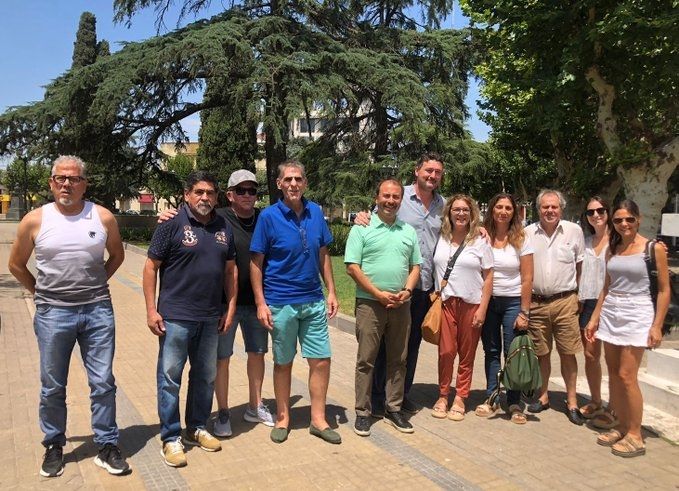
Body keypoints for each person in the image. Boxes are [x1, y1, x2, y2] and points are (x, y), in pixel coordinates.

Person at [8, 155, 130, 477]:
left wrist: (98, 283)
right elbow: (16, 264)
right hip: (53, 314)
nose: (66, 184)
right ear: (51, 183)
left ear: (84, 184)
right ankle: (53, 444)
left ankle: (107, 444)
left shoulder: (102, 217)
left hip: (97, 311)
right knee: (52, 386)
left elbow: (117, 255)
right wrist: (39, 293)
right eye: (60, 178)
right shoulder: (35, 220)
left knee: (103, 382)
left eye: (74, 179)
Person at [157, 169, 274, 437]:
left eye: (252, 190)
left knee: (256, 354)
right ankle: (222, 412)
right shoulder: (218, 217)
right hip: (220, 306)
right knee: (220, 360)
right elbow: (186, 220)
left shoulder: (264, 219)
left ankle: (255, 405)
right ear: (229, 195)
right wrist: (165, 216)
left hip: (256, 302)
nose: (247, 195)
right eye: (241, 190)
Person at [143, 171, 238, 467]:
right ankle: (171, 437)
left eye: (210, 192)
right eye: (199, 192)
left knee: (205, 376)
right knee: (169, 378)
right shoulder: (170, 224)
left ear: (217, 197)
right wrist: (151, 310)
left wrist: (230, 308)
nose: (204, 197)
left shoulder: (223, 226)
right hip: (175, 318)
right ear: (187, 195)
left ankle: (196, 427)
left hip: (210, 318)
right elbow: (150, 267)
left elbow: (231, 271)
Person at [250, 160, 341, 444]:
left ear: (305, 182)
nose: (293, 184)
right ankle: (283, 418)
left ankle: (318, 419)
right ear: (279, 184)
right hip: (281, 303)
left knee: (321, 360)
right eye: (288, 179)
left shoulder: (316, 213)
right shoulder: (268, 217)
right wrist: (261, 303)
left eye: (298, 179)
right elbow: (256, 263)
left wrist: (332, 291)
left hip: (313, 300)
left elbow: (323, 254)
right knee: (283, 362)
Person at [357, 153, 445, 416]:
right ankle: (376, 396)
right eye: (428, 170)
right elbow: (373, 219)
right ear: (417, 171)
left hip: (424, 285)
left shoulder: (443, 204)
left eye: (437, 172)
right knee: (382, 346)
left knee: (410, 345)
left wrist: (481, 230)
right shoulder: (398, 195)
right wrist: (360, 216)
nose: (432, 176)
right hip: (395, 285)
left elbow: (462, 226)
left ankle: (401, 394)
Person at [585, 200, 669, 458]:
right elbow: (606, 287)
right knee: (613, 372)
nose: (624, 224)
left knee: (626, 375)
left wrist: (657, 325)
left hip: (637, 313)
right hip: (612, 312)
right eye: (619, 220)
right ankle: (620, 424)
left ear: (638, 219)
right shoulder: (613, 248)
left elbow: (664, 290)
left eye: (629, 219)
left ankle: (635, 434)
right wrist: (594, 318)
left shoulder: (653, 249)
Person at [345, 179, 422, 436]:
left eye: (395, 197)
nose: (390, 201)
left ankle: (393, 408)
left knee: (398, 359)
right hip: (370, 303)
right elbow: (352, 267)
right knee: (366, 360)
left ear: (401, 200)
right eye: (386, 196)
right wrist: (377, 294)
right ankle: (363, 412)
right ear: (377, 198)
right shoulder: (362, 228)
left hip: (401, 303)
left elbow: (416, 266)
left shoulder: (408, 231)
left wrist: (407, 291)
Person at [525, 189, 585, 425]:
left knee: (568, 352)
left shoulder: (574, 231)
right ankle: (543, 396)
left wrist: (578, 297)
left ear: (561, 208)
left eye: (554, 206)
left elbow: (580, 266)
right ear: (538, 209)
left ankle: (572, 401)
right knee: (541, 353)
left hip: (565, 302)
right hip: (537, 303)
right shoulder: (527, 233)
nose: (549, 211)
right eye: (545, 207)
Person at [431, 194, 493, 421]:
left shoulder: (480, 240)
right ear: (449, 212)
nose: (461, 214)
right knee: (446, 352)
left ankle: (460, 397)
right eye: (456, 209)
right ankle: (443, 395)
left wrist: (482, 308)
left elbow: (489, 277)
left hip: (471, 303)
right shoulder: (441, 237)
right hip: (446, 303)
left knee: (467, 354)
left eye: (465, 210)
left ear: (472, 213)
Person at [474, 193, 533, 424]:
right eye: (499, 206)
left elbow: (527, 278)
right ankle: (493, 397)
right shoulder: (482, 236)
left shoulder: (521, 238)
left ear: (514, 212)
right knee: (491, 351)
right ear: (492, 209)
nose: (503, 211)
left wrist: (524, 312)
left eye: (508, 208)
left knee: (512, 352)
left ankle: (514, 401)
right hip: (488, 302)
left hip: (512, 302)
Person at [577, 197, 615, 426]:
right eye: (591, 212)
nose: (596, 215)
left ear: (608, 212)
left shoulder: (617, 242)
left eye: (600, 210)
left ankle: (615, 406)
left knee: (613, 359)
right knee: (591, 356)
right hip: (588, 302)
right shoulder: (585, 242)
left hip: (612, 304)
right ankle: (596, 400)